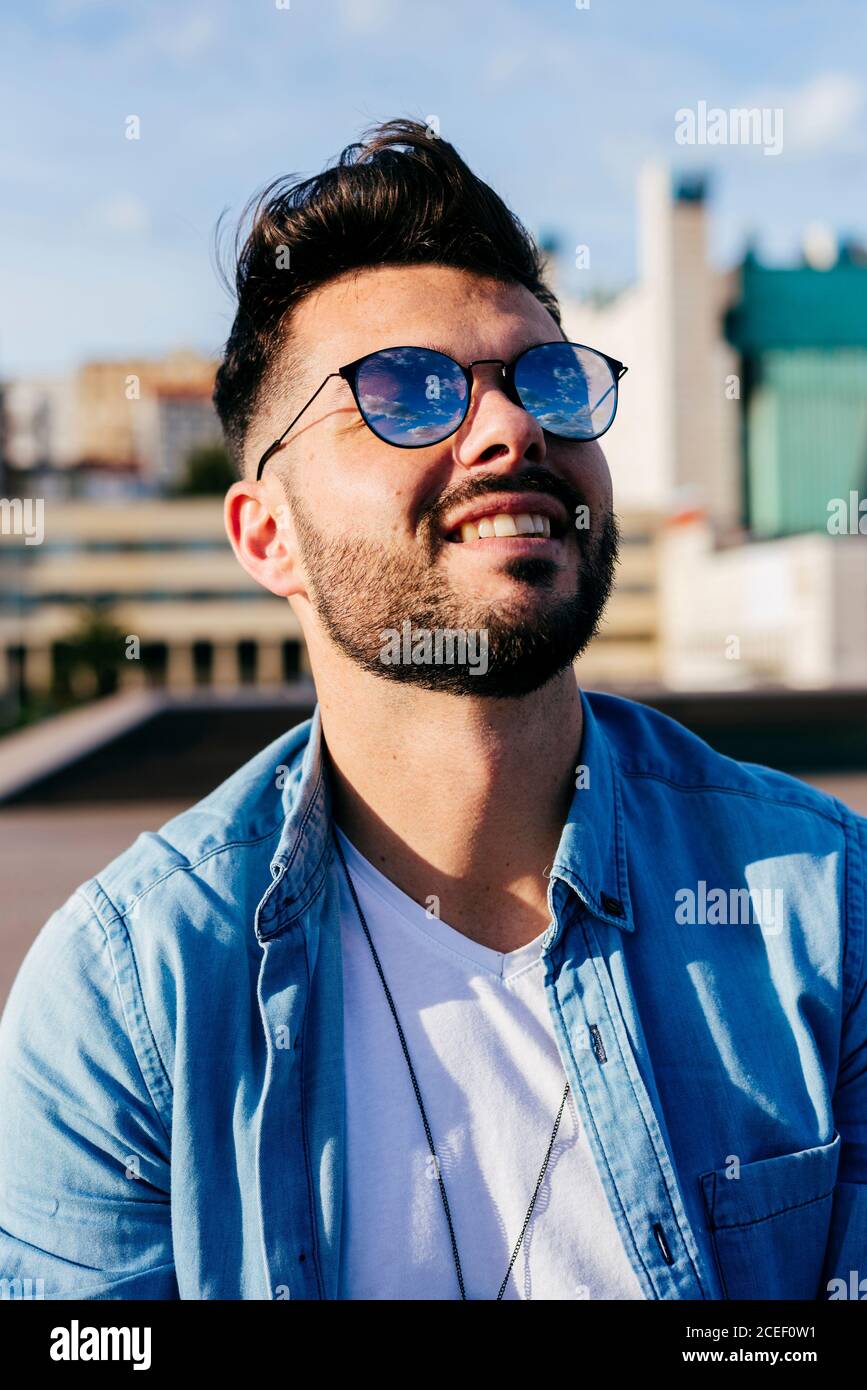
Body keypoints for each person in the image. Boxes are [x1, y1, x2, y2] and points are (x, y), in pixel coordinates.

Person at [0, 119, 864, 1301]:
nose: (514, 427)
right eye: (406, 391)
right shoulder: (130, 1004)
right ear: (268, 536)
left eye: (547, 380)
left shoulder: (824, 909)